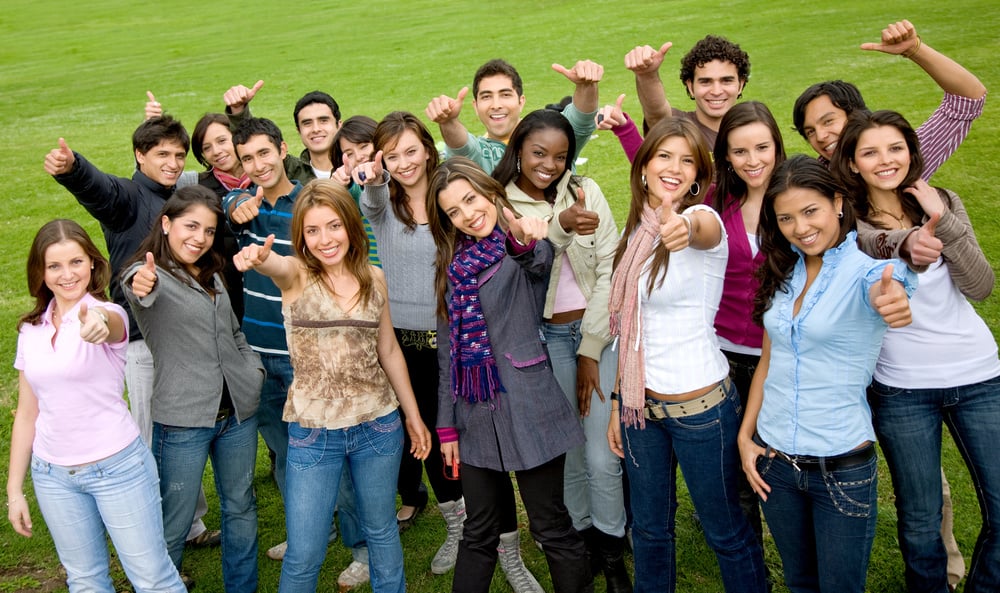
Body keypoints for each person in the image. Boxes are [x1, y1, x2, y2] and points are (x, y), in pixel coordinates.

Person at [233, 179, 432, 593]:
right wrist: (259, 259)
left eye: (334, 226)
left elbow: (390, 350)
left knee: (380, 531)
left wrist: (412, 416)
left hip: (377, 427)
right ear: (301, 238)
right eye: (312, 230)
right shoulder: (297, 276)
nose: (325, 239)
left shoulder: (374, 278)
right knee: (305, 553)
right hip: (313, 433)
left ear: (351, 225)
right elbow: (277, 267)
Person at [831, 110, 1000, 593]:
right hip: (903, 388)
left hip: (979, 375)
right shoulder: (847, 220)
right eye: (870, 152)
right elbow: (875, 242)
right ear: (853, 163)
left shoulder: (942, 200)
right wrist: (910, 241)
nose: (885, 161)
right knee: (921, 522)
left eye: (895, 148)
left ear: (911, 150)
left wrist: (943, 224)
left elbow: (981, 284)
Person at [44, 116, 221, 557]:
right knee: (152, 441)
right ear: (140, 156)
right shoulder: (126, 197)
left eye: (179, 155)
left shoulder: (179, 198)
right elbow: (97, 188)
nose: (173, 163)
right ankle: (156, 545)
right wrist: (72, 168)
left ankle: (190, 523)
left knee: (185, 433)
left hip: (185, 337)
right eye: (162, 154)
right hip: (144, 342)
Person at [738, 155, 916, 593]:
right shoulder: (784, 272)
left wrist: (893, 297)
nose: (800, 227)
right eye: (786, 218)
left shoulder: (869, 272)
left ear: (838, 202)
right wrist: (747, 437)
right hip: (776, 464)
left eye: (810, 211)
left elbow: (891, 288)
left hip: (840, 470)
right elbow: (768, 360)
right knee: (799, 583)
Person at [605, 117, 766, 593]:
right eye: (663, 156)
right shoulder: (638, 228)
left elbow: (699, 231)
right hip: (641, 410)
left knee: (727, 534)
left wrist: (682, 226)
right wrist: (618, 402)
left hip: (702, 413)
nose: (673, 168)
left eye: (687, 160)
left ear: (699, 175)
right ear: (645, 165)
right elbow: (632, 330)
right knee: (651, 532)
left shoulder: (705, 220)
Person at [427, 157, 592, 593]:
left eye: (470, 199)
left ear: (490, 193)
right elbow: (448, 355)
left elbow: (538, 260)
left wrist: (522, 238)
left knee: (551, 527)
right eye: (453, 211)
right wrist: (446, 427)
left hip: (528, 405)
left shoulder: (520, 245)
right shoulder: (451, 270)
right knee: (478, 533)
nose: (467, 215)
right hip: (474, 415)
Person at [8, 220, 187, 593]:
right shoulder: (31, 330)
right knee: (85, 581)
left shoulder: (108, 313)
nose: (66, 274)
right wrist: (14, 490)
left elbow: (111, 326)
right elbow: (27, 414)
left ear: (92, 263)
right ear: (40, 272)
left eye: (75, 262)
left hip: (117, 467)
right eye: (54, 266)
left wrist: (98, 326)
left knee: (153, 580)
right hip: (52, 475)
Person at [491, 109, 629, 591]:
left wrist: (592, 348)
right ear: (518, 151)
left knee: (601, 456)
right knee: (567, 455)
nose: (549, 164)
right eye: (538, 153)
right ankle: (583, 543)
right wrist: (558, 227)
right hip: (543, 340)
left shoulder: (585, 190)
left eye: (560, 156)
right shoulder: (499, 205)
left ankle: (614, 555)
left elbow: (612, 263)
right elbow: (518, 276)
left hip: (595, 337)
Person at [121, 187, 263, 593]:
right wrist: (143, 281)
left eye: (208, 230)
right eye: (190, 226)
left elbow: (233, 331)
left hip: (237, 413)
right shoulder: (146, 274)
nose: (198, 238)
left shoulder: (212, 271)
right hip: (183, 423)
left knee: (241, 507)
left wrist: (251, 369)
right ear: (166, 224)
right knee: (175, 518)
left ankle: (242, 587)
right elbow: (138, 289)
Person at [353, 111, 469, 576]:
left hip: (452, 341)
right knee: (415, 439)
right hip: (399, 346)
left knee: (453, 438)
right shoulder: (382, 204)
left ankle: (474, 522)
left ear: (427, 146)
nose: (404, 163)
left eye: (411, 150)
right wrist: (376, 177)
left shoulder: (450, 200)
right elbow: (373, 195)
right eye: (392, 154)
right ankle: (456, 525)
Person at [707, 101, 787, 553]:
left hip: (780, 357)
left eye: (762, 148)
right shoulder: (718, 200)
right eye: (739, 152)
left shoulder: (797, 196)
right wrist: (623, 132)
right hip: (723, 354)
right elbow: (661, 169)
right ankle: (751, 565)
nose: (752, 161)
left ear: (777, 145)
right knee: (735, 468)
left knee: (776, 462)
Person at [793, 19, 986, 177]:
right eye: (809, 132)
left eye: (828, 121)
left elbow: (967, 98)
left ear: (856, 117)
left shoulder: (899, 158)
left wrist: (914, 49)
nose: (820, 137)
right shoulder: (813, 180)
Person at [426, 58, 601, 173]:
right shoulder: (480, 154)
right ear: (475, 106)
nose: (496, 105)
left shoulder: (552, 135)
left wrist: (586, 85)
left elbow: (581, 120)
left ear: (521, 101)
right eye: (486, 96)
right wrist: (448, 121)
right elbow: (461, 148)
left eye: (505, 94)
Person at [624, 35, 750, 147]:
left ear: (740, 85)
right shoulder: (679, 129)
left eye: (726, 81)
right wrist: (647, 75)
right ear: (690, 86)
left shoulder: (757, 132)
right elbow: (656, 114)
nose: (716, 91)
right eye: (705, 82)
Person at [224, 80, 340, 179]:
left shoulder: (355, 164)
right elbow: (250, 140)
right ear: (298, 130)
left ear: (339, 125)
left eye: (323, 120)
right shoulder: (288, 169)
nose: (316, 129)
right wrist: (238, 109)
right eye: (307, 123)